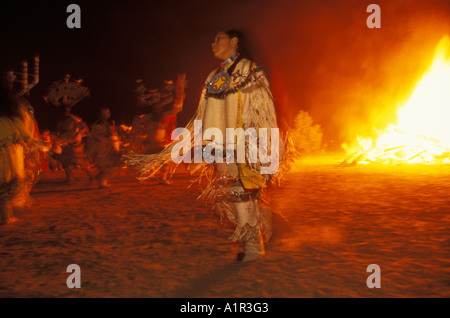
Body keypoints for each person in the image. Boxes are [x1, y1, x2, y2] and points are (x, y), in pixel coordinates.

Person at [127, 30, 285, 261]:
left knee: (241, 193)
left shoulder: (251, 70)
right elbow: (203, 115)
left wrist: (266, 145)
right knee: (240, 195)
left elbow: (265, 110)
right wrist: (200, 147)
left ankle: (253, 246)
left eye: (218, 39)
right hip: (221, 146)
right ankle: (260, 226)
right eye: (212, 40)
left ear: (234, 42)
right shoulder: (214, 76)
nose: (212, 43)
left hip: (247, 142)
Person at [0, 76, 42, 224]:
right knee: (6, 187)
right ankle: (7, 216)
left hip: (8, 152)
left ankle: (7, 215)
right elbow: (25, 135)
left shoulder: (12, 116)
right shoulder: (14, 116)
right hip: (8, 155)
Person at [54, 104, 93, 183]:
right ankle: (70, 177)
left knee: (79, 160)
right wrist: (58, 137)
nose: (65, 112)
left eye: (67, 110)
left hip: (74, 141)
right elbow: (58, 131)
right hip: (64, 142)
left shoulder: (74, 119)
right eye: (64, 110)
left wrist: (77, 134)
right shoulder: (60, 120)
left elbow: (84, 128)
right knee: (65, 161)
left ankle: (90, 175)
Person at [86, 107, 120, 188]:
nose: (106, 115)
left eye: (108, 113)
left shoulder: (110, 125)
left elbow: (113, 137)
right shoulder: (95, 125)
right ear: (99, 114)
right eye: (104, 113)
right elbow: (94, 137)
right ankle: (102, 183)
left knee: (108, 167)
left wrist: (114, 148)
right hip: (99, 149)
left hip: (108, 149)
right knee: (104, 166)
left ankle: (99, 180)